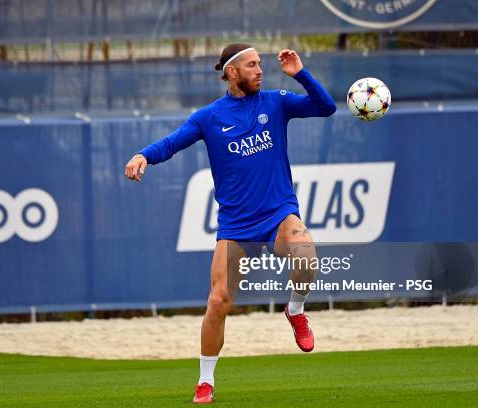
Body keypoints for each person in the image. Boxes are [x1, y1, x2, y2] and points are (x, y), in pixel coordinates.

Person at [124, 43, 336, 404]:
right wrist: (144, 154)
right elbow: (173, 143)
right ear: (232, 72)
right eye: (252, 65)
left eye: (260, 64)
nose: (260, 70)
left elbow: (326, 107)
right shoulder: (209, 116)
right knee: (219, 301)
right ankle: (205, 380)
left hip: (278, 213)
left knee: (307, 257)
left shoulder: (276, 102)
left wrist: (300, 73)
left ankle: (295, 308)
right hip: (236, 224)